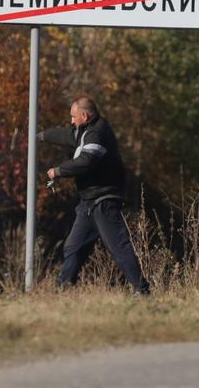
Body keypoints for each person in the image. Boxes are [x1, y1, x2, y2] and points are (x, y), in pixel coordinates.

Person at [42, 96, 149, 294]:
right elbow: (66, 135)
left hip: (103, 201)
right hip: (88, 203)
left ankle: (141, 290)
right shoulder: (84, 131)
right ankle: (62, 290)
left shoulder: (97, 134)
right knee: (73, 247)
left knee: (119, 248)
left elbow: (85, 162)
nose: (71, 121)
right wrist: (41, 135)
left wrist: (58, 171)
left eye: (74, 117)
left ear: (85, 115)